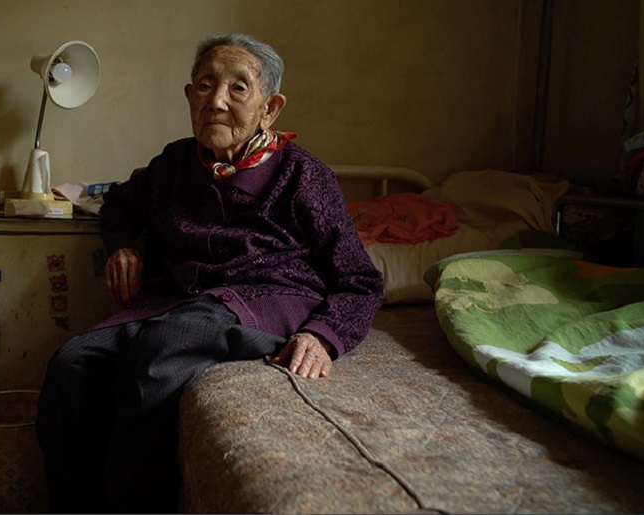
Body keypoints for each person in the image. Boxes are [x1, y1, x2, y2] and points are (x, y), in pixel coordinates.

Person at [35, 33, 383, 513]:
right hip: (176, 302)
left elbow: (360, 279)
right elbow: (119, 203)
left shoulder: (303, 176)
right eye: (204, 85)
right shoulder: (175, 162)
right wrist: (122, 246)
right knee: (72, 364)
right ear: (189, 96)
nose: (216, 101)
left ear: (270, 108)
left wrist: (323, 335)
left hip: (265, 299)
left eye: (238, 88)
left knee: (164, 345)